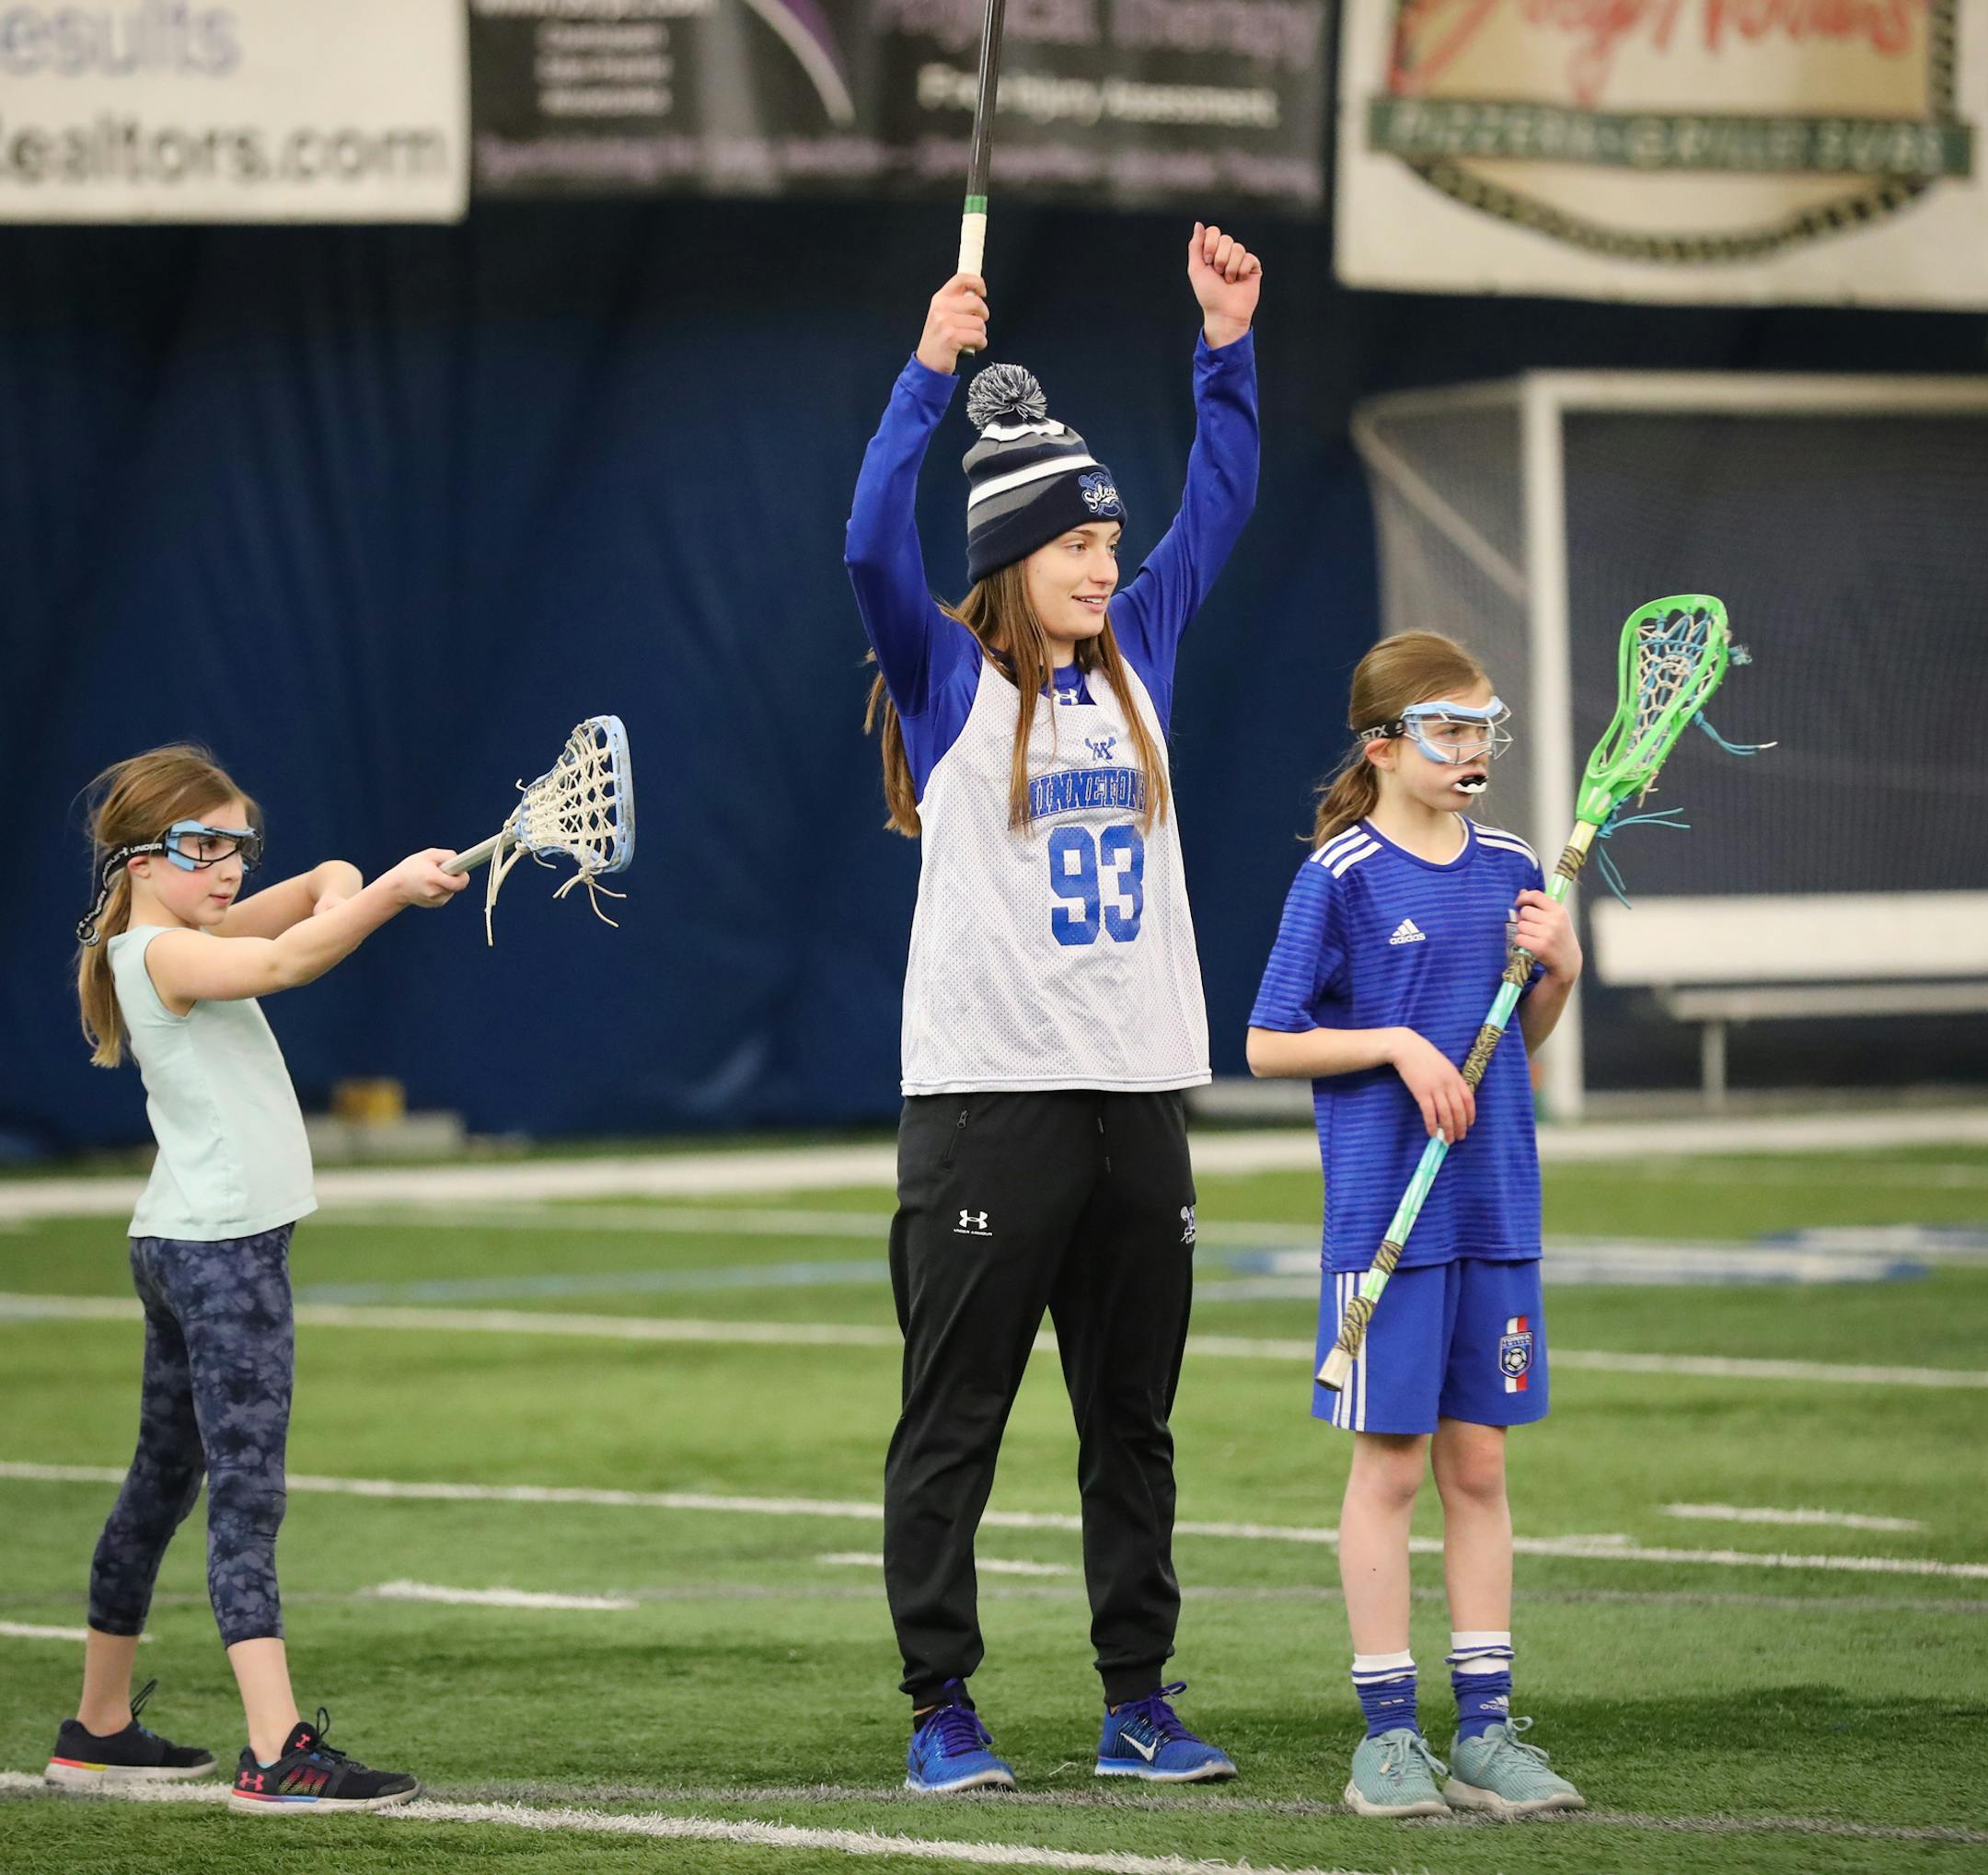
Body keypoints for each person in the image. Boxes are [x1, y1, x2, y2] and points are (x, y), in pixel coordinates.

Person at [844, 223, 1262, 1793]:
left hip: (1138, 1094)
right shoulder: (952, 683)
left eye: (1109, 535)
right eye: (1075, 539)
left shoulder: (1139, 652)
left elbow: (1220, 505)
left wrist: (1225, 350)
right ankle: (941, 1704)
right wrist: (926, 374)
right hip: (984, 1105)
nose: (1105, 558)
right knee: (954, 1422)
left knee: (1131, 1426)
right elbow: (868, 543)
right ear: (1009, 556)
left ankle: (1137, 1695)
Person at [49, 743, 466, 1815]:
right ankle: (276, 1752)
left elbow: (301, 903)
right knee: (246, 1495)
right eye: (201, 845)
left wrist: (346, 882)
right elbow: (285, 961)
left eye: (238, 842)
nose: (226, 865)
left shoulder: (178, 931)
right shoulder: (163, 954)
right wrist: (379, 897)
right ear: (141, 859)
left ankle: (96, 1729)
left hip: (186, 1242)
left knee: (163, 1484)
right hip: (222, 1254)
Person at [1245, 631, 1589, 1819]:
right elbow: (1266, 1041)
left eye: (1485, 724)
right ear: (1383, 744)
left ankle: (1487, 1733)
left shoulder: (1508, 863)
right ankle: (1388, 1741)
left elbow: (1517, 1045)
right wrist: (1395, 1045)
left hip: (1494, 1199)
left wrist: (1560, 972)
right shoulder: (1338, 876)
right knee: (1389, 1467)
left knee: (1480, 1464)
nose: (1473, 748)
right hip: (1384, 1215)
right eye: (1448, 727)